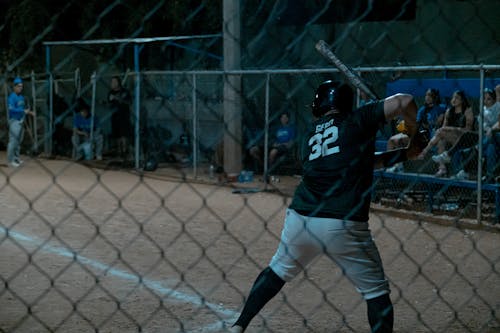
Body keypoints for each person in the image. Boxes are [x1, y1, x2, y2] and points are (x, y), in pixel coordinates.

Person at [229, 81, 421, 333]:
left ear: (320, 105)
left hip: (301, 220)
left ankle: (238, 325)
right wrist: (411, 129)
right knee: (375, 291)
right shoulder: (358, 118)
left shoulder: (308, 136)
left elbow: (356, 162)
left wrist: (405, 153)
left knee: (276, 271)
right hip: (344, 223)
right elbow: (405, 101)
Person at [386, 88, 445, 172]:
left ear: (435, 97)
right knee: (393, 140)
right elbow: (416, 125)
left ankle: (442, 169)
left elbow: (446, 119)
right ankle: (397, 166)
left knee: (439, 140)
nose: (427, 97)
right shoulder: (422, 110)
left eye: (430, 95)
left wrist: (441, 118)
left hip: (435, 137)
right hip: (422, 137)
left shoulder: (441, 108)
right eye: (426, 95)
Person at [418, 90, 474, 177]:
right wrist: (448, 129)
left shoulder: (467, 110)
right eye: (453, 97)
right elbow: (444, 128)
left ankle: (425, 151)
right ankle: (442, 168)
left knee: (440, 133)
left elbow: (468, 130)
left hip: (464, 138)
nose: (454, 100)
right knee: (441, 140)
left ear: (462, 100)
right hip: (450, 137)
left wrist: (453, 129)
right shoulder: (449, 111)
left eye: (457, 98)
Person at [249, 111, 296, 177]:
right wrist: (273, 143)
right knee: (253, 150)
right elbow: (273, 140)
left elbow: (291, 143)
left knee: (273, 152)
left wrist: (280, 144)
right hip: (274, 146)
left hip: (283, 147)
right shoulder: (277, 129)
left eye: (285, 117)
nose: (283, 119)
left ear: (288, 119)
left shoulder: (291, 129)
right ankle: (262, 167)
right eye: (282, 118)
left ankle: (269, 171)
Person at [7, 77, 35, 168]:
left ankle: (16, 159)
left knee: (19, 141)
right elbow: (11, 110)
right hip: (14, 121)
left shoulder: (21, 97)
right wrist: (23, 111)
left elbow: (23, 109)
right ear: (14, 87)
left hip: (21, 121)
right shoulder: (12, 97)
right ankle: (10, 161)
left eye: (21, 86)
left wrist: (27, 112)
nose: (20, 88)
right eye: (18, 86)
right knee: (13, 141)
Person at [108, 76, 132, 159]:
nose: (113, 83)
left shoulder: (124, 92)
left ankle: (125, 152)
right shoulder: (111, 92)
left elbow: (128, 102)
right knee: (116, 135)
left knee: (124, 134)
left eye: (115, 82)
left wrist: (117, 98)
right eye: (112, 82)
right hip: (115, 116)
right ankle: (119, 151)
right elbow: (109, 103)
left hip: (124, 116)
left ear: (119, 82)